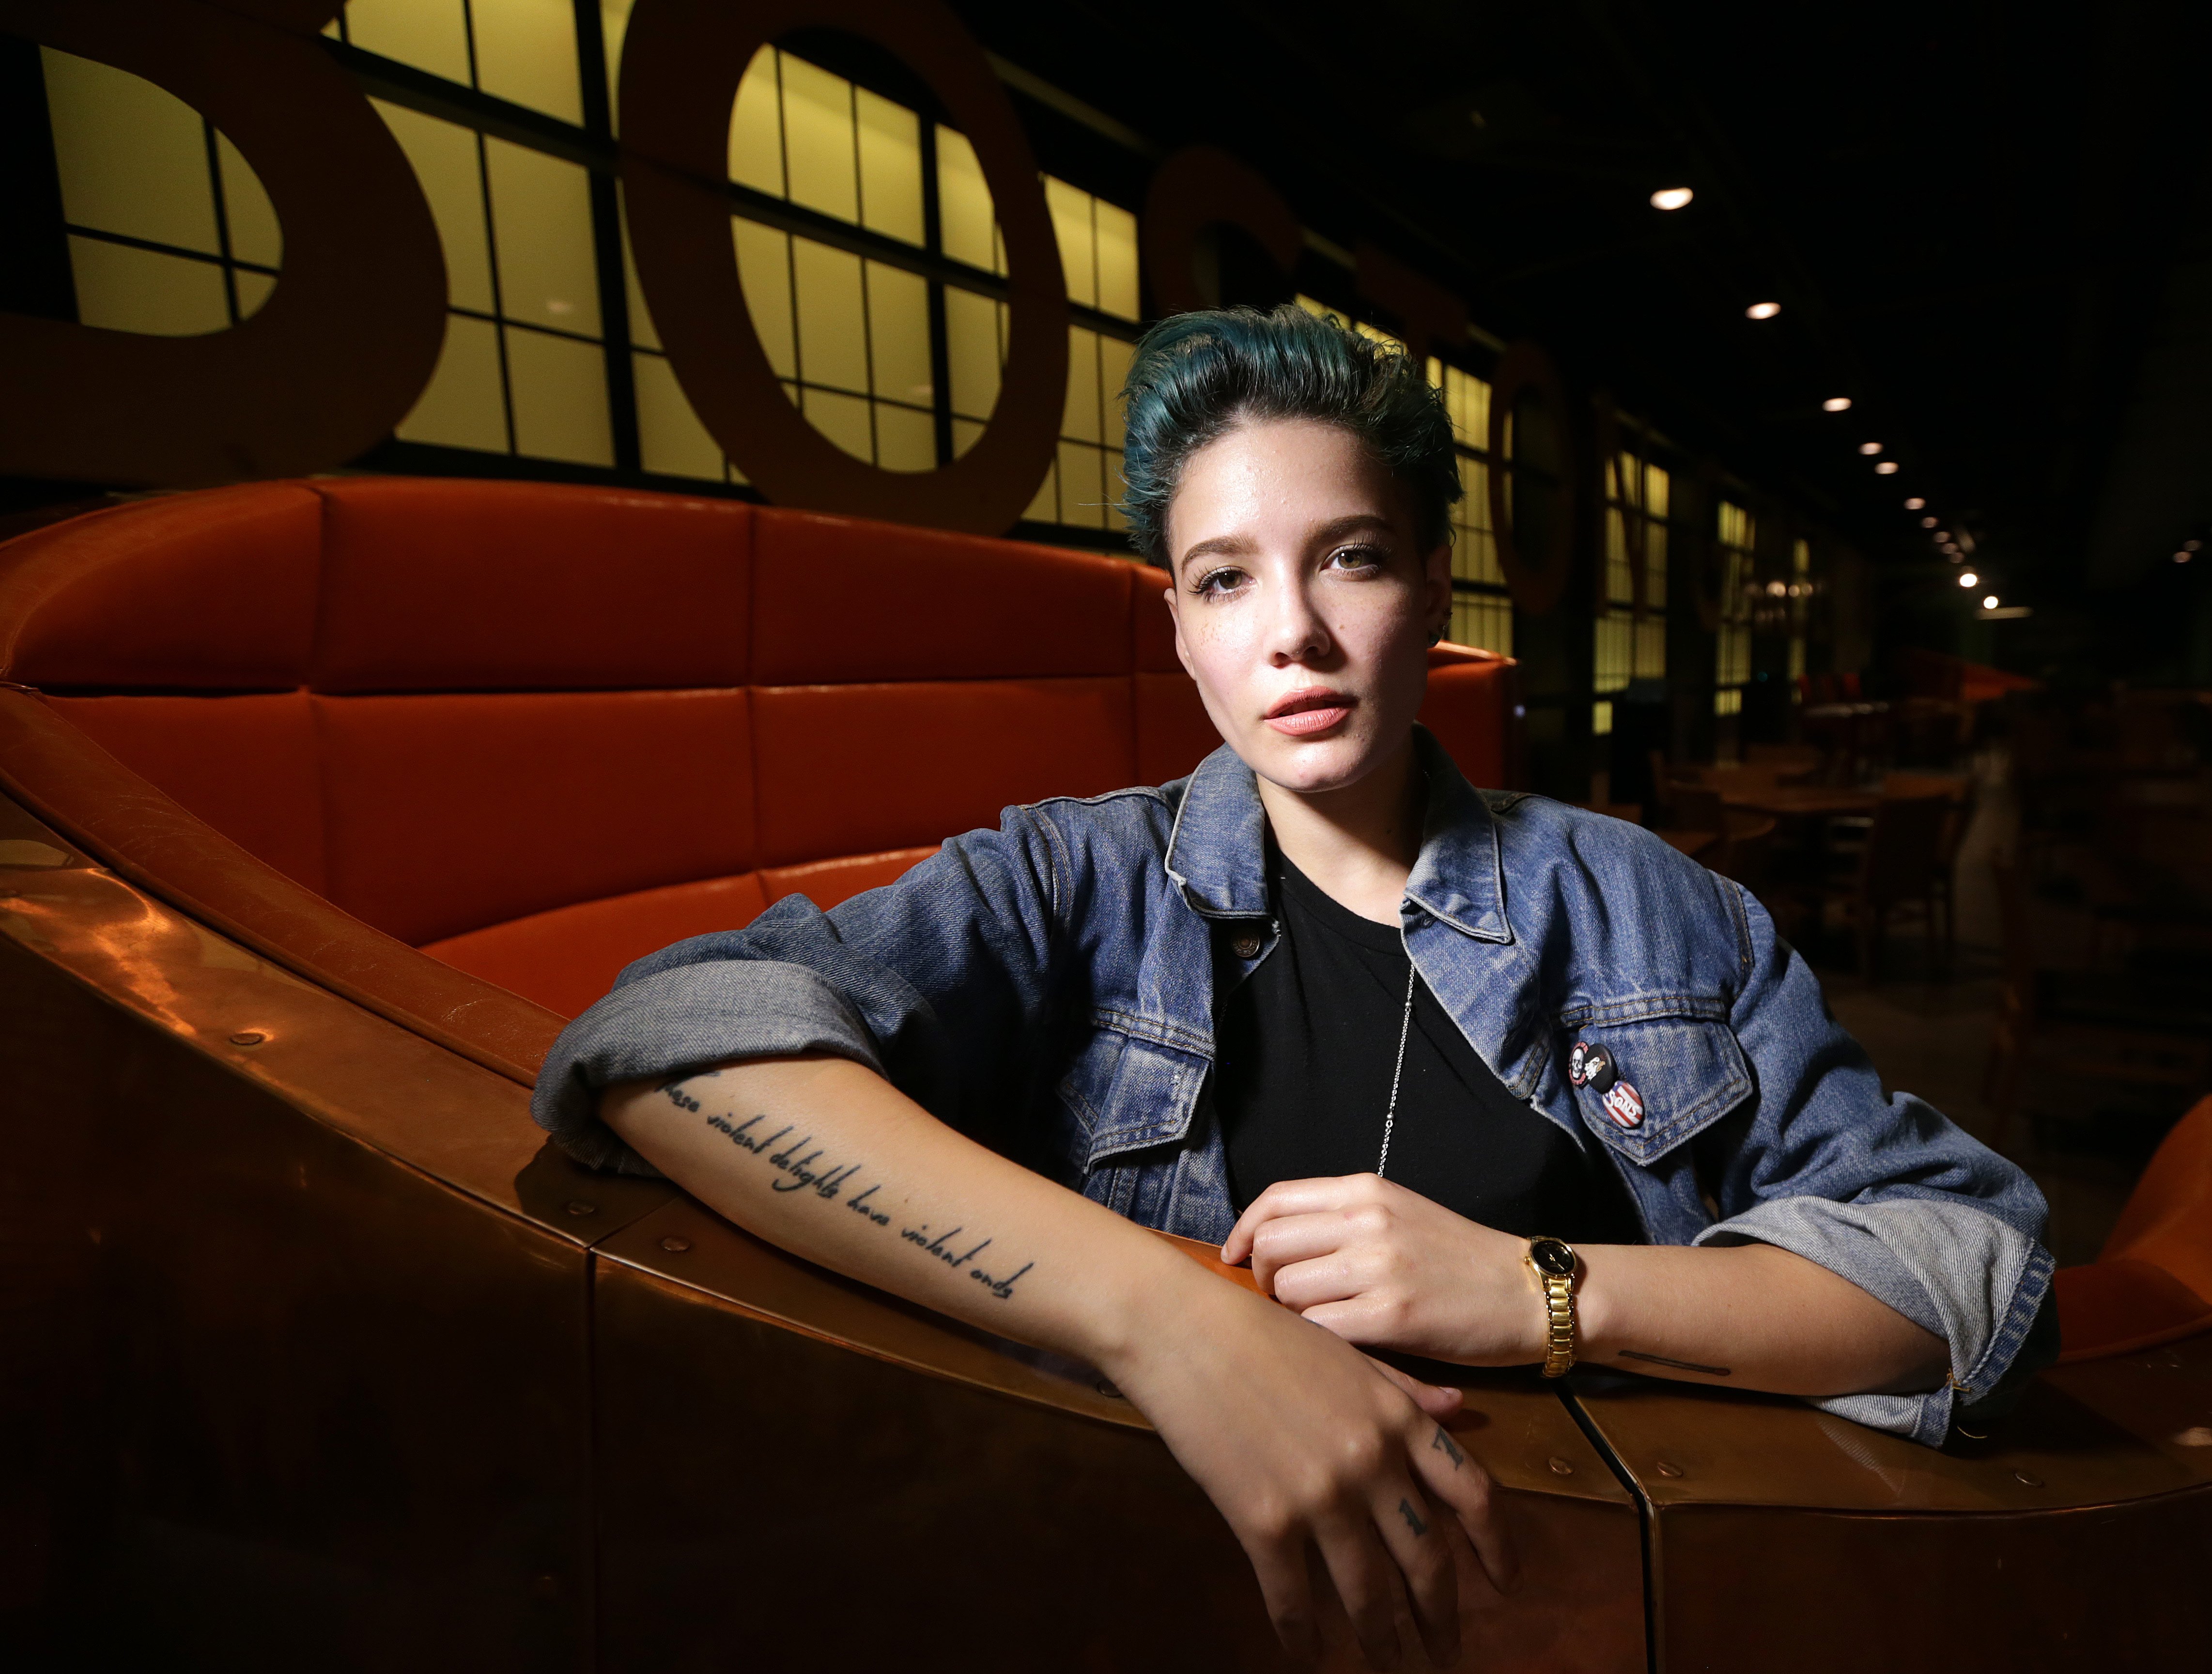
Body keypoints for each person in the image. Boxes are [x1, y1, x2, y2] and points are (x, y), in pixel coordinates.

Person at [533, 304, 2056, 1669]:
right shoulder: (1076, 885)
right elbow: (670, 1042)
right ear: (1181, 631)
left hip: (1583, 1605)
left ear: (1434, 590)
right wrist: (1175, 1324)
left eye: (1355, 555)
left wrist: (1537, 1293)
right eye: (1226, 579)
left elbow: (1967, 1274)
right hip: (1153, 1601)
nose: (1296, 633)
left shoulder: (1647, 906)